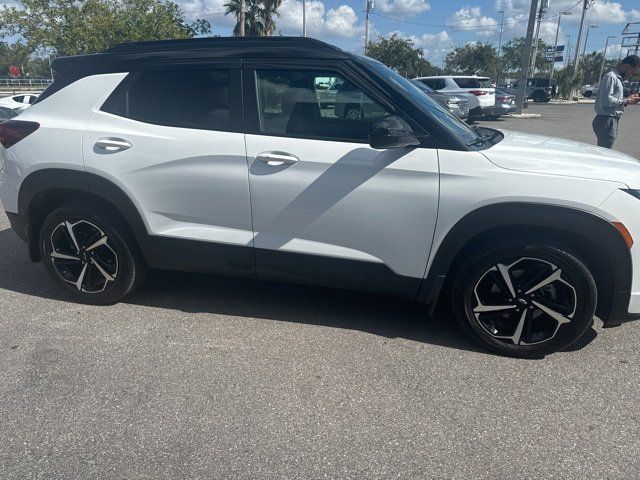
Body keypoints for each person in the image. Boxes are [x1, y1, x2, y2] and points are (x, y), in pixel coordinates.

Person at [592, 55, 640, 149]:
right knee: (605, 152)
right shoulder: (611, 77)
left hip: (610, 120)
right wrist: (627, 100)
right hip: (606, 120)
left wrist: (628, 99)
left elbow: (613, 98)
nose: (632, 74)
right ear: (626, 66)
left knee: (606, 149)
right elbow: (606, 100)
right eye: (632, 71)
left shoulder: (617, 78)